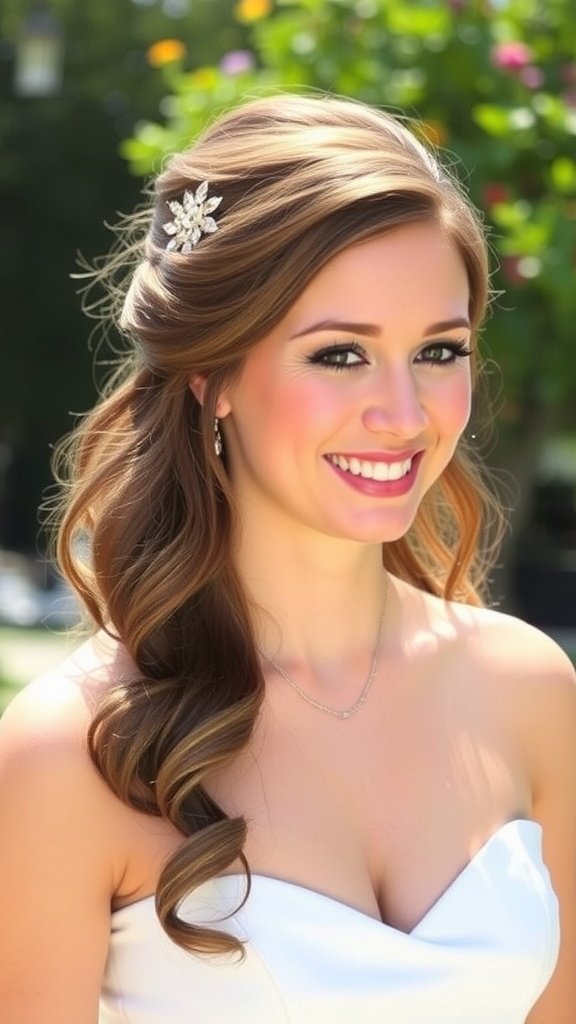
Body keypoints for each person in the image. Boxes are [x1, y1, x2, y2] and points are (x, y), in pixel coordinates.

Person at [1, 93, 575, 1024]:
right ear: (213, 376)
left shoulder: (529, 690)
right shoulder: (73, 752)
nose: (405, 412)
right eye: (341, 355)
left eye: (440, 349)